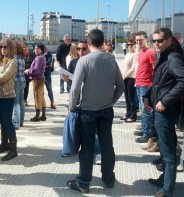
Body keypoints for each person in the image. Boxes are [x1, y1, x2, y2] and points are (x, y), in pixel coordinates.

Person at [67, 29, 125, 193]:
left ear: (88, 42)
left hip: (88, 111)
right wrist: (111, 100)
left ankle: (84, 183)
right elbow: (121, 85)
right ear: (102, 41)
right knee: (107, 145)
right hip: (106, 110)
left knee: (87, 148)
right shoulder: (111, 60)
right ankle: (108, 179)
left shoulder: (84, 61)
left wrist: (72, 107)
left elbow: (75, 89)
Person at [144, 27, 184, 197]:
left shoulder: (173, 58)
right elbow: (160, 83)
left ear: (169, 40)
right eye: (154, 40)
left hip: (165, 112)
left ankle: (167, 191)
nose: (156, 43)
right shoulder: (164, 55)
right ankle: (164, 180)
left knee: (168, 152)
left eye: (160, 41)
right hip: (159, 110)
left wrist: (164, 101)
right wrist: (147, 96)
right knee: (165, 149)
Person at [0, 38, 18, 161]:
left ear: (10, 48)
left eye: (5, 47)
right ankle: (4, 144)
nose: (3, 49)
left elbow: (5, 77)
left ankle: (13, 149)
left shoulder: (13, 61)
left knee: (7, 122)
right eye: (1, 47)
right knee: (1, 121)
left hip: (7, 95)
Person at [134, 31, 156, 143]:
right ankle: (144, 129)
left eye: (140, 40)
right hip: (139, 84)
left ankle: (147, 134)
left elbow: (155, 69)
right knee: (142, 109)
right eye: (137, 40)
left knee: (146, 110)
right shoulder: (141, 52)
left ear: (146, 39)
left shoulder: (150, 52)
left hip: (147, 85)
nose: (138, 42)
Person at [24, 43, 47, 122]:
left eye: (38, 48)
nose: (36, 50)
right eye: (35, 48)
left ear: (42, 50)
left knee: (37, 97)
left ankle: (37, 116)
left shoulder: (39, 58)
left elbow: (35, 70)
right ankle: (43, 115)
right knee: (41, 96)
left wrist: (28, 71)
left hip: (37, 79)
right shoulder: (42, 57)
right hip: (40, 79)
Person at [120, 38, 138, 123]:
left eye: (131, 44)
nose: (129, 46)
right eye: (128, 45)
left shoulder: (135, 54)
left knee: (132, 98)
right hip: (125, 77)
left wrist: (125, 76)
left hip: (131, 78)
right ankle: (128, 113)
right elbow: (124, 66)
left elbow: (133, 67)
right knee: (127, 98)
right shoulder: (127, 54)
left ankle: (133, 115)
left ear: (135, 45)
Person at [12, 42, 26, 129]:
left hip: (16, 81)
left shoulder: (14, 58)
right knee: (21, 102)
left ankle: (16, 124)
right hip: (22, 81)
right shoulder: (22, 58)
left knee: (15, 103)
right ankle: (20, 122)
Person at [22, 42, 35, 107]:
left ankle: (25, 100)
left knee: (26, 87)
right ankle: (21, 100)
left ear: (27, 47)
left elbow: (33, 64)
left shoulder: (31, 54)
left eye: (25, 47)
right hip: (20, 74)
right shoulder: (20, 55)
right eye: (23, 47)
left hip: (27, 74)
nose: (24, 48)